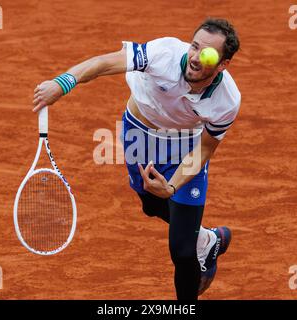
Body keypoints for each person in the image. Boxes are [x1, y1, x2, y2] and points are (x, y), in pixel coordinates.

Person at [32, 18, 241, 300]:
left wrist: (172, 187)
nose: (194, 57)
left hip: (185, 145)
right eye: (194, 46)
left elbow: (204, 149)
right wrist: (64, 81)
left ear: (223, 64)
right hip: (139, 136)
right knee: (151, 206)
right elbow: (105, 63)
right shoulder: (163, 54)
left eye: (207, 54)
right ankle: (206, 239)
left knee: (181, 249)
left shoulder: (226, 100)